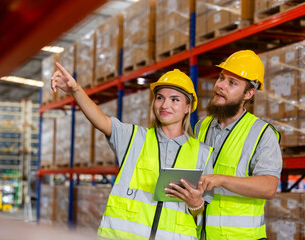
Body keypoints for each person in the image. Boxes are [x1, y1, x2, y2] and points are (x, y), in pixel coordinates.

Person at [51, 63, 214, 240]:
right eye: (160, 98)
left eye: (175, 99)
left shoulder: (202, 153)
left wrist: (195, 203)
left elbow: (199, 210)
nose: (165, 104)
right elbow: (101, 120)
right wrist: (75, 90)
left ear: (188, 107)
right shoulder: (134, 138)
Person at [194, 50, 282, 240]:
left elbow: (269, 187)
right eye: (221, 78)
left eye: (232, 83)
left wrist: (221, 179)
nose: (220, 86)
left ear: (249, 93)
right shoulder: (202, 126)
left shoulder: (262, 133)